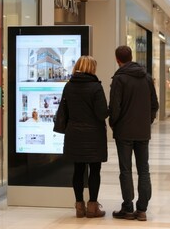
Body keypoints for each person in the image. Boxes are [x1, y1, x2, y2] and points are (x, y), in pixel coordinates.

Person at [109, 45, 159, 222]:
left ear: (117, 59)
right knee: (144, 169)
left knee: (126, 170)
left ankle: (128, 208)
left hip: (124, 132)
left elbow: (115, 107)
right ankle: (142, 209)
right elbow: (155, 104)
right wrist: (147, 121)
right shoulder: (146, 78)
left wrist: (113, 124)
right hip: (142, 132)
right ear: (131, 57)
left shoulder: (119, 79)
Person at [61, 55, 108, 218]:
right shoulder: (96, 87)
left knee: (78, 170)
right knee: (94, 170)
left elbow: (64, 112)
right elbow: (102, 113)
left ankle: (79, 206)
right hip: (94, 134)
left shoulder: (68, 87)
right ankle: (93, 207)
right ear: (91, 68)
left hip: (74, 133)